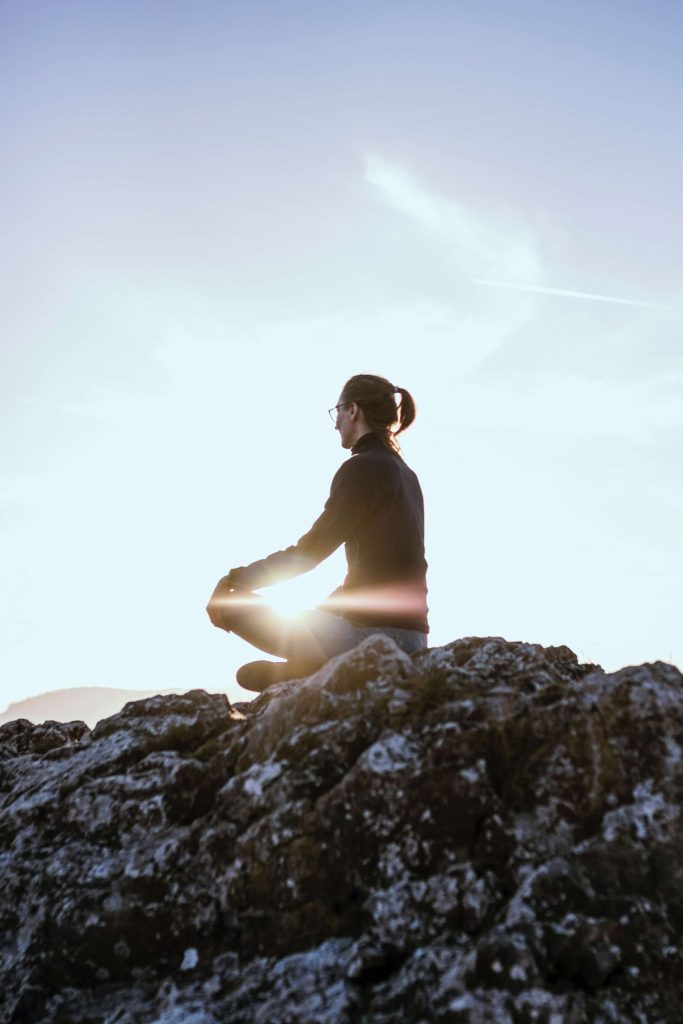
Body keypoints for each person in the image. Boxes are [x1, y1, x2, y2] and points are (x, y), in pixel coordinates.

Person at [206, 373, 429, 691]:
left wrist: (235, 579)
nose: (335, 422)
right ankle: (315, 669)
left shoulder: (362, 468)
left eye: (337, 411)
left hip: (377, 640)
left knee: (230, 604)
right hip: (414, 639)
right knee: (319, 615)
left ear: (353, 410)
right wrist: (326, 610)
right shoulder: (407, 474)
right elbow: (385, 569)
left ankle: (316, 671)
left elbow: (309, 553)